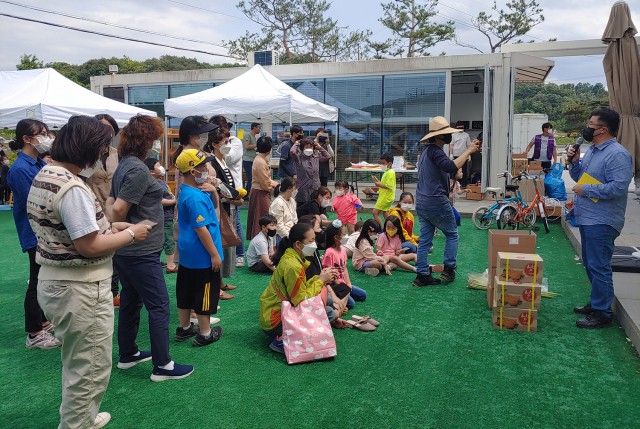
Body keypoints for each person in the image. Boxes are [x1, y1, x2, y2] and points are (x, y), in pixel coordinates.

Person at [27, 115, 152, 429]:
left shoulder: (48, 173)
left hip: (56, 281)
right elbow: (89, 245)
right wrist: (130, 234)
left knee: (79, 360)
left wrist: (112, 226)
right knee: (90, 367)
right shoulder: (72, 189)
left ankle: (81, 417)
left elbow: (72, 229)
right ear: (88, 149)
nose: (104, 155)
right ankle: (77, 424)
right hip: (80, 287)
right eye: (102, 149)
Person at [106, 114, 193, 382]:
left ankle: (128, 353)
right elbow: (116, 208)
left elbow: (110, 202)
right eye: (155, 139)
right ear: (146, 140)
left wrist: (119, 224)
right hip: (139, 251)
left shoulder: (125, 165)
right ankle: (162, 365)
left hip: (130, 250)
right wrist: (125, 225)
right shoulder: (137, 169)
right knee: (159, 305)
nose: (157, 144)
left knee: (132, 301)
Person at [567, 109, 633, 329]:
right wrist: (574, 162)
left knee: (599, 265)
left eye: (591, 124)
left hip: (603, 220)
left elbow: (618, 187)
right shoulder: (593, 151)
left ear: (603, 129)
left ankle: (603, 313)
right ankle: (597, 302)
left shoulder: (617, 154)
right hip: (587, 217)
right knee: (591, 263)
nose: (587, 127)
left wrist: (587, 190)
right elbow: (579, 178)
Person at [7, 119, 61, 349]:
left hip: (43, 230)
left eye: (47, 133)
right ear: (27, 139)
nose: (47, 137)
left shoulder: (38, 162)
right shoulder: (20, 168)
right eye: (42, 134)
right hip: (34, 231)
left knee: (43, 278)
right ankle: (34, 333)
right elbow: (36, 199)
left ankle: (43, 321)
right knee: (37, 280)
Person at [412, 117, 478, 288]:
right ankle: (448, 270)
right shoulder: (436, 151)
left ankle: (422, 276)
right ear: (439, 137)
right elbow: (451, 167)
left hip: (421, 202)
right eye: (447, 134)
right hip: (436, 202)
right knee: (452, 233)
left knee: (425, 240)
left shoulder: (426, 151)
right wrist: (469, 150)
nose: (449, 136)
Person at [259, 222, 337, 353]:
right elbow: (299, 299)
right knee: (328, 312)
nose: (315, 244)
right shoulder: (293, 265)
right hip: (274, 321)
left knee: (328, 305)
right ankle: (282, 341)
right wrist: (321, 281)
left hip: (276, 313)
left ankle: (288, 335)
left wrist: (319, 278)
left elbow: (301, 289)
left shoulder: (294, 258)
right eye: (311, 241)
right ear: (298, 244)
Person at [173, 149, 224, 346]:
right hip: (203, 254)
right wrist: (214, 254)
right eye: (203, 167)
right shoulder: (195, 198)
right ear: (193, 172)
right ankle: (205, 333)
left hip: (189, 253)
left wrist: (213, 192)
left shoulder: (190, 191)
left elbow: (214, 208)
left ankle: (184, 328)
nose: (207, 170)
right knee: (204, 292)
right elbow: (202, 229)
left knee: (185, 289)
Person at [171, 116, 220, 268]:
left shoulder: (198, 153)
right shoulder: (188, 156)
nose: (205, 136)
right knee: (201, 250)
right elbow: (185, 187)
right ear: (191, 135)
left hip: (205, 202)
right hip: (197, 207)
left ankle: (216, 285)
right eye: (202, 133)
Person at [86, 114, 122, 305]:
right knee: (98, 252)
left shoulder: (118, 153)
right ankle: (99, 293)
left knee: (117, 254)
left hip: (116, 211)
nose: (105, 132)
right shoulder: (86, 154)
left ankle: (114, 293)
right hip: (93, 211)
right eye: (101, 127)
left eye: (109, 128)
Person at [207, 126, 243, 294]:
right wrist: (234, 197)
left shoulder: (222, 160)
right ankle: (216, 286)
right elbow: (219, 187)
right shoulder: (212, 162)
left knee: (226, 244)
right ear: (214, 144)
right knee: (220, 244)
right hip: (220, 207)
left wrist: (235, 197)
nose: (228, 144)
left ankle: (220, 282)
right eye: (225, 141)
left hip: (228, 206)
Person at [322, 220, 367, 311]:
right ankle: (339, 300)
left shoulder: (342, 250)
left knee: (363, 295)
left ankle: (344, 297)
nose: (346, 236)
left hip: (344, 284)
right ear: (336, 237)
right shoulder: (329, 252)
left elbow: (345, 268)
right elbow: (329, 272)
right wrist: (342, 287)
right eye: (344, 234)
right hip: (335, 285)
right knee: (351, 303)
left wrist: (349, 284)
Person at [144, 158, 177, 273]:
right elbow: (158, 200)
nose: (162, 168)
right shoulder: (151, 184)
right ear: (151, 171)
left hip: (167, 216)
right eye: (158, 166)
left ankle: (157, 262)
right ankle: (170, 265)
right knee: (169, 240)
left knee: (163, 241)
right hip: (162, 217)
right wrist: (173, 201)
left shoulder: (161, 182)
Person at [246, 136, 279, 240]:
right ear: (269, 150)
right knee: (262, 218)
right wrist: (273, 185)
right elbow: (265, 184)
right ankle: (260, 241)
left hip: (259, 190)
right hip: (260, 192)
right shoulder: (260, 162)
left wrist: (273, 183)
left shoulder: (259, 159)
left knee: (258, 217)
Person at [291, 137, 331, 206]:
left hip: (315, 189)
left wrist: (319, 147)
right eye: (306, 147)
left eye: (310, 147)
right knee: (303, 213)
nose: (309, 149)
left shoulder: (316, 158)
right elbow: (292, 152)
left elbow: (328, 156)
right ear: (303, 148)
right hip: (303, 191)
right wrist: (296, 143)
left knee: (315, 211)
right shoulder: (299, 159)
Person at [269, 177, 298, 243]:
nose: (296, 190)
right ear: (289, 189)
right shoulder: (278, 203)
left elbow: (295, 220)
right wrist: (289, 237)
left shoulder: (292, 201)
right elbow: (279, 226)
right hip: (281, 237)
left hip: (291, 233)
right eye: (295, 188)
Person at [372, 152, 396, 229]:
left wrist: (379, 185)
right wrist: (379, 183)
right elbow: (386, 184)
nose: (382, 165)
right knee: (386, 214)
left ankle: (381, 229)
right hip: (387, 196)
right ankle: (389, 228)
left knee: (375, 213)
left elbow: (389, 186)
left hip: (385, 197)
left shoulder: (390, 173)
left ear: (390, 163)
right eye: (381, 163)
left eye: (383, 163)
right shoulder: (388, 172)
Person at [449, 121, 472, 187]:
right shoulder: (453, 135)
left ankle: (464, 184)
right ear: (456, 127)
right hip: (455, 154)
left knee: (464, 170)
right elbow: (451, 145)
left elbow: (468, 145)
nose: (460, 128)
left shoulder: (466, 135)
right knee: (455, 170)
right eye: (459, 127)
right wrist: (451, 154)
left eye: (461, 127)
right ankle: (455, 184)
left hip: (464, 154)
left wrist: (469, 154)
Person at [242, 122, 260, 189]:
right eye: (259, 128)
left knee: (253, 179)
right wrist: (258, 145)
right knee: (251, 179)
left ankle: (249, 194)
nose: (259, 130)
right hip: (247, 160)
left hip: (252, 159)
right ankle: (246, 195)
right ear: (254, 127)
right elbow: (247, 146)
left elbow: (252, 148)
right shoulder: (247, 135)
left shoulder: (254, 137)